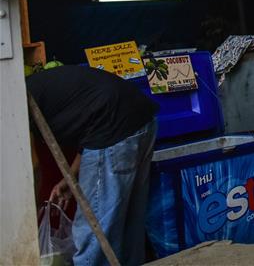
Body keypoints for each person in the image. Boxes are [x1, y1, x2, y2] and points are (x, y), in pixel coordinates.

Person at [27, 65, 158, 266]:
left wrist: (30, 209)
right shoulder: (35, 89)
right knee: (128, 227)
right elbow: (89, 122)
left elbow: (33, 167)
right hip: (140, 122)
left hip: (114, 129)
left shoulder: (13, 99)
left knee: (93, 231)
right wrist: (71, 176)